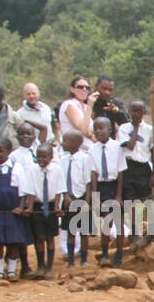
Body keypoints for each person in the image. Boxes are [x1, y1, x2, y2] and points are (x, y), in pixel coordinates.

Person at [0, 138, 32, 282]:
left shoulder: (16, 168)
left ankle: (11, 271)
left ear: (9, 152)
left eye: (0, 151)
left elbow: (23, 190)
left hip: (13, 212)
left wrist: (21, 207)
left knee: (13, 241)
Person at [89, 116, 125, 268]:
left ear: (109, 130)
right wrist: (96, 197)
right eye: (95, 128)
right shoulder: (92, 149)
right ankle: (105, 254)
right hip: (102, 187)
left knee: (119, 221)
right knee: (106, 222)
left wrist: (118, 195)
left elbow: (121, 172)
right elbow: (93, 174)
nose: (98, 131)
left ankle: (119, 254)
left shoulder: (118, 147)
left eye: (101, 128)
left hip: (115, 186)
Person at [117, 100, 154, 247]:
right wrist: (136, 128)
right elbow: (130, 146)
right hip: (129, 167)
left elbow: (153, 151)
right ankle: (135, 233)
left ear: (144, 112)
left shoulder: (150, 130)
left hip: (144, 167)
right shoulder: (124, 128)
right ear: (129, 111)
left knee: (147, 199)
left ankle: (151, 232)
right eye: (133, 111)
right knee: (131, 203)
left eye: (139, 111)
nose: (136, 114)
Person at [24, 141, 62, 279]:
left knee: (50, 237)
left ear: (51, 157)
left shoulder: (57, 170)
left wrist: (57, 207)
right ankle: (40, 265)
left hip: (51, 207)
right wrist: (29, 207)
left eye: (44, 156)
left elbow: (59, 190)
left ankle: (49, 267)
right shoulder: (32, 170)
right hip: (37, 206)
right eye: (39, 156)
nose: (41, 160)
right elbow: (30, 190)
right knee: (39, 236)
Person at [56, 130, 92, 266]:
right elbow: (61, 181)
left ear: (75, 143)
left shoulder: (85, 159)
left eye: (65, 140)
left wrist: (86, 202)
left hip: (81, 198)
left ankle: (84, 259)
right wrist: (65, 196)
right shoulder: (63, 160)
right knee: (70, 230)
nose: (62, 143)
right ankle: (71, 260)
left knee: (84, 232)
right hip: (68, 199)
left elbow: (88, 183)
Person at [57, 77, 92, 151]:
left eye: (87, 88)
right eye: (80, 87)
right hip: (74, 150)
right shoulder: (69, 104)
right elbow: (83, 128)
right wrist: (90, 105)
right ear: (72, 89)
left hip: (88, 150)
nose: (84, 89)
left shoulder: (85, 107)